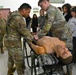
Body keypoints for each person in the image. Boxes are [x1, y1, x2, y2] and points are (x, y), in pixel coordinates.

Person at [33, 0, 73, 75]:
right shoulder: (50, 10)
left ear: (45, 2)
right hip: (59, 36)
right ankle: (60, 71)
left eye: (41, 6)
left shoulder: (51, 10)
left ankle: (69, 73)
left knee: (67, 55)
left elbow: (48, 25)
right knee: (59, 55)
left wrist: (38, 35)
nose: (42, 8)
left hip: (65, 36)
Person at [4, 3, 35, 75]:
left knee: (11, 56)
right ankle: (20, 73)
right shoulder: (19, 18)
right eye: (28, 12)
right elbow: (24, 31)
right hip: (14, 42)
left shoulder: (12, 14)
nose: (28, 14)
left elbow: (17, 29)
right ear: (23, 10)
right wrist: (33, 38)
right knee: (19, 59)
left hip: (7, 40)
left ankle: (10, 71)